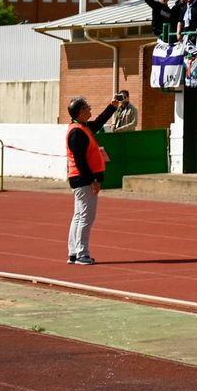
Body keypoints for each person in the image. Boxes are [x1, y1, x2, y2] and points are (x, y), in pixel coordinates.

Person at [65, 93, 122, 264]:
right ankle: (82, 254)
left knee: (79, 215)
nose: (90, 108)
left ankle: (74, 252)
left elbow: (98, 122)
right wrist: (93, 180)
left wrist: (112, 106)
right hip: (83, 179)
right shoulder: (77, 132)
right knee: (86, 217)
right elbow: (81, 161)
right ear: (80, 112)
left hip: (80, 179)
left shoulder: (83, 128)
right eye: (87, 107)